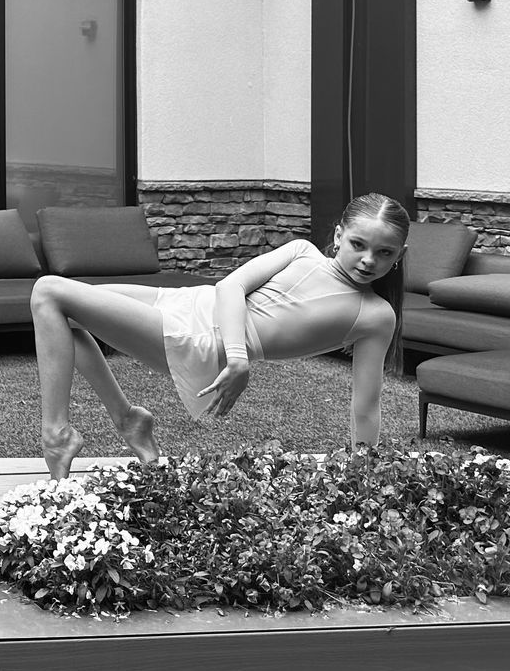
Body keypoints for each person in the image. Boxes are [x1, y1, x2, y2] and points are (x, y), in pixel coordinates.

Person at [28, 192, 410, 479]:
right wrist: (239, 358)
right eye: (359, 244)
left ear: (399, 255)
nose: (368, 260)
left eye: (384, 253)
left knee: (49, 292)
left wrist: (366, 476)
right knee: (63, 314)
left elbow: (366, 405)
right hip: (191, 303)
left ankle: (56, 434)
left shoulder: (376, 315)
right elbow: (229, 288)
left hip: (200, 342)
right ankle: (128, 419)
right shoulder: (301, 252)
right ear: (339, 235)